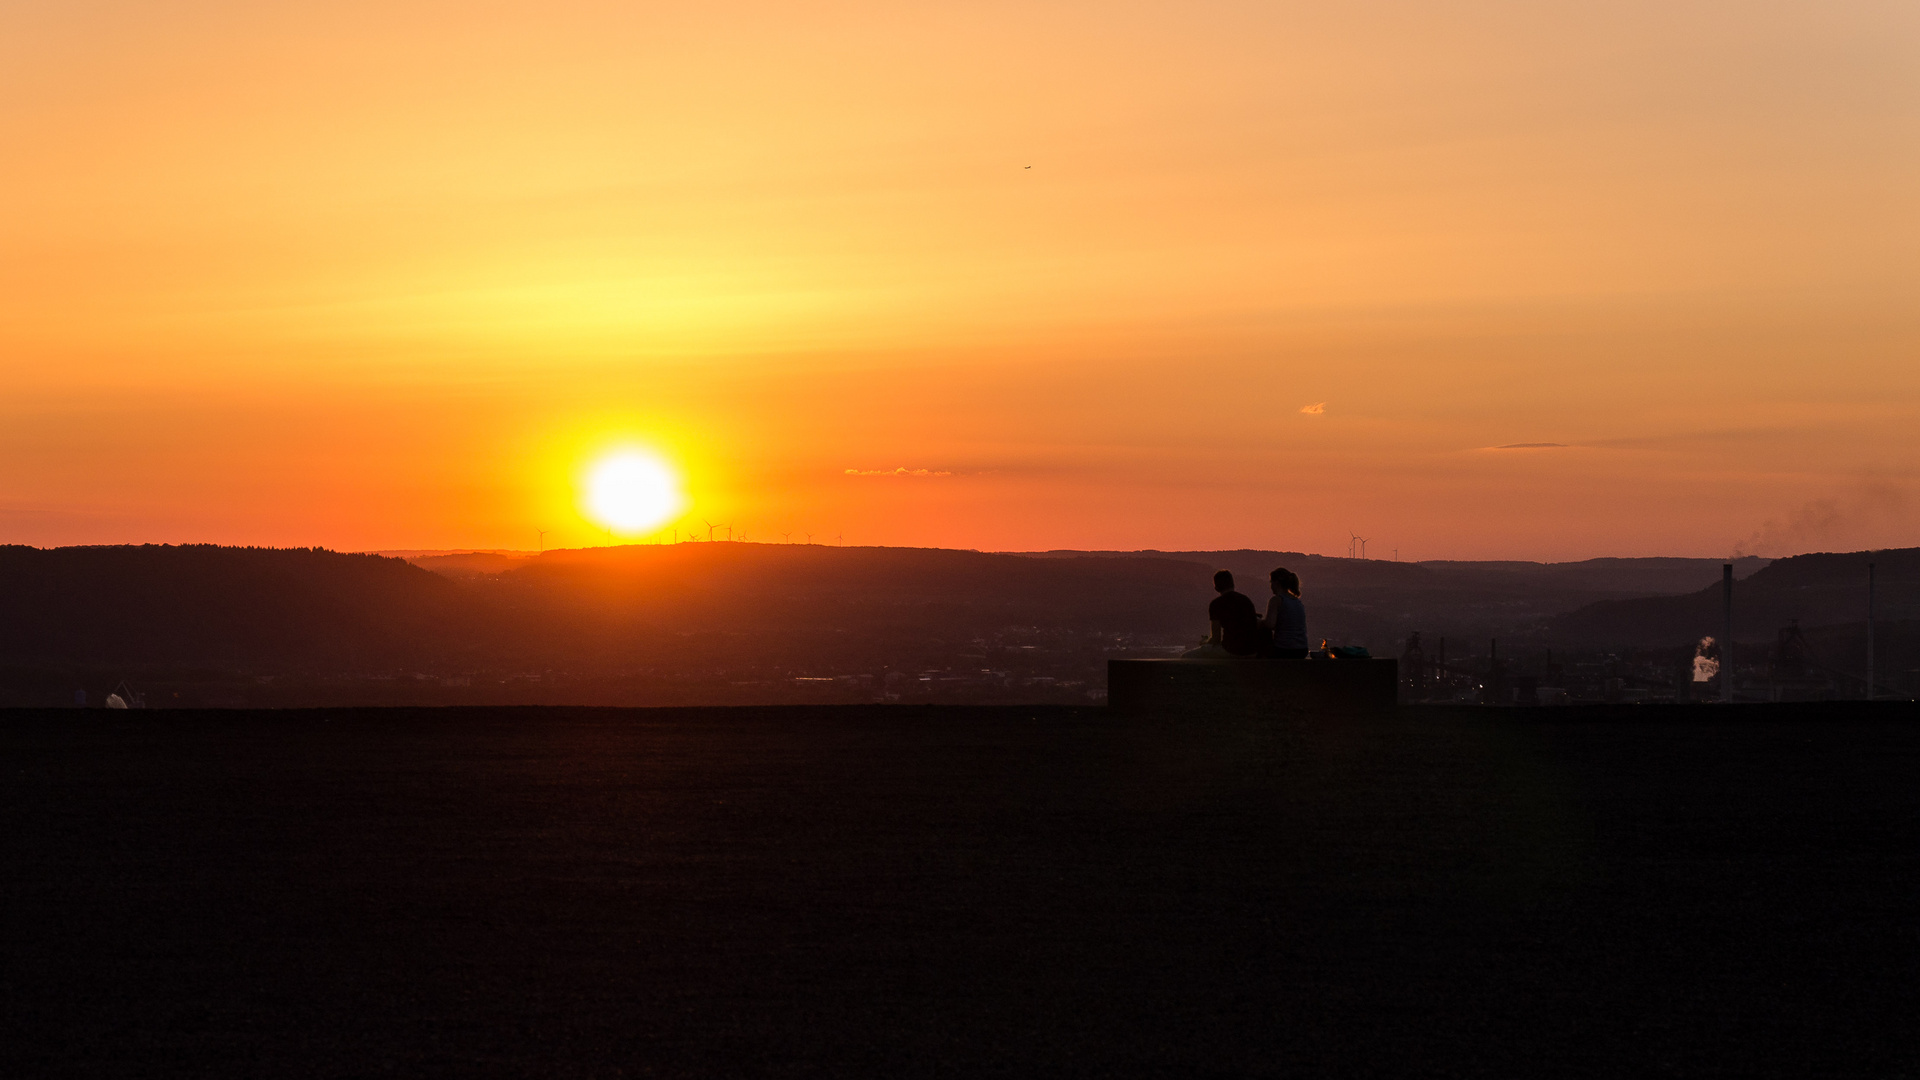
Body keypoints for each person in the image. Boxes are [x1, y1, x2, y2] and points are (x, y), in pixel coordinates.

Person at [1182, 569, 1261, 658]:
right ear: (1232, 584)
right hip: (1252, 651)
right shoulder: (1246, 600)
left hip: (1232, 650)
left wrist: (1204, 642)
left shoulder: (1216, 604)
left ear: (1216, 587)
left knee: (1185, 657)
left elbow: (1216, 638)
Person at [1260, 567, 1309, 659]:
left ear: (1276, 583)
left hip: (1284, 649)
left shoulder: (1276, 600)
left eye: (1271, 582)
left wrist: (1259, 622)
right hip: (1302, 650)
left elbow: (1270, 624)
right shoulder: (1297, 602)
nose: (1270, 586)